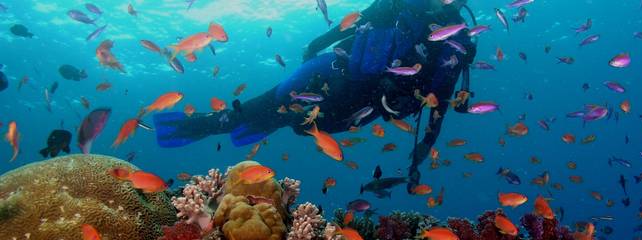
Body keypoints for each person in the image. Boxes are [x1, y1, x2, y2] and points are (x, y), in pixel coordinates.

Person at [153, 0, 476, 191]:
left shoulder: (449, 32)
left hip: (355, 85)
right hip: (354, 83)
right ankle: (208, 126)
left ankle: (200, 126)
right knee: (292, 114)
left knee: (285, 111)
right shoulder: (426, 17)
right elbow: (441, 97)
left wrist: (317, 44)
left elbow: (441, 95)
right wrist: (426, 143)